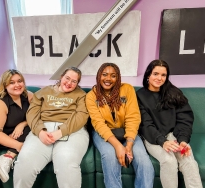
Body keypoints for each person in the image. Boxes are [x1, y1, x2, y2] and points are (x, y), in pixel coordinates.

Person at [13, 67, 89, 188]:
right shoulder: (43, 92)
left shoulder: (81, 95)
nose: (69, 83)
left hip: (72, 130)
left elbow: (81, 116)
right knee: (24, 161)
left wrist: (60, 132)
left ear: (77, 84)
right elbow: (32, 113)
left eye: (74, 81)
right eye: (67, 78)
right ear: (61, 77)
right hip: (43, 128)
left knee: (66, 161)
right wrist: (40, 132)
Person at [86, 62, 154, 188]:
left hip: (127, 131)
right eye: (104, 74)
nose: (108, 79)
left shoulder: (127, 89)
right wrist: (118, 146)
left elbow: (133, 117)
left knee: (143, 161)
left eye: (113, 75)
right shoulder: (91, 96)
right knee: (110, 156)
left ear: (118, 78)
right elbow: (98, 123)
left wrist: (129, 144)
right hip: (103, 132)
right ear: (98, 76)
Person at [136, 59, 202, 188]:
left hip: (175, 135)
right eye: (155, 74)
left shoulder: (174, 93)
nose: (159, 78)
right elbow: (145, 124)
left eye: (163, 75)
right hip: (153, 138)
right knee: (169, 161)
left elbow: (185, 118)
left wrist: (183, 140)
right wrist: (163, 141)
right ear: (148, 75)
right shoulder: (139, 96)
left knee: (188, 161)